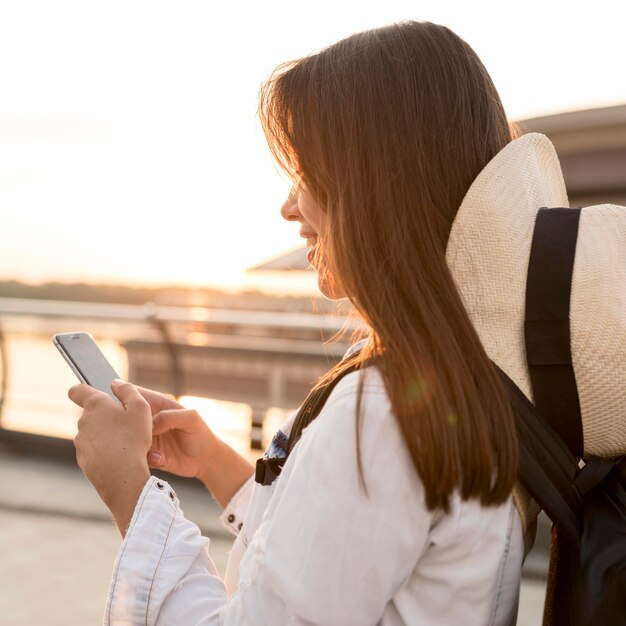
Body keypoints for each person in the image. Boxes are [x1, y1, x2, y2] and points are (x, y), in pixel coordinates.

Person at [68, 20, 532, 625]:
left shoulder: (383, 412)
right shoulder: (460, 367)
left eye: (309, 172)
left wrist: (128, 489)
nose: (290, 206)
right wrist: (215, 461)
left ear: (375, 187)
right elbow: (340, 557)